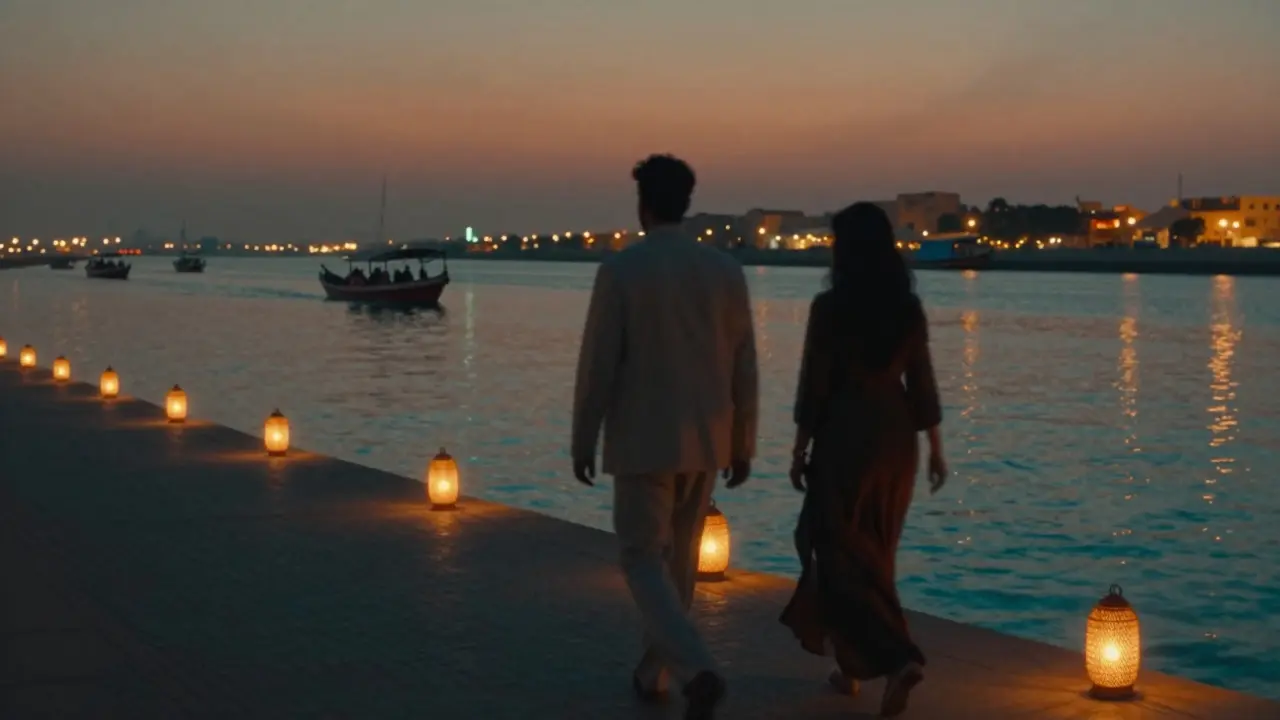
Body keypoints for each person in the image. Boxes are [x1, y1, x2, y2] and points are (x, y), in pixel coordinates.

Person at [571, 154, 758, 720]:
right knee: (676, 565)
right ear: (687, 201)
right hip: (707, 438)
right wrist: (743, 440)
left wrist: (584, 436)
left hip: (642, 438)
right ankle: (653, 672)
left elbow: (599, 363)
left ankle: (696, 668)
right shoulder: (726, 272)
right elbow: (743, 365)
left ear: (643, 204)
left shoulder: (623, 271)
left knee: (641, 558)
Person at [778, 202, 947, 719]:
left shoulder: (830, 308)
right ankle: (851, 670)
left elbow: (816, 383)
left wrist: (800, 446)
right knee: (875, 551)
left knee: (840, 550)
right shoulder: (907, 309)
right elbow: (921, 379)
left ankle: (898, 659)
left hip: (846, 435)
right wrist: (937, 448)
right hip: (897, 441)